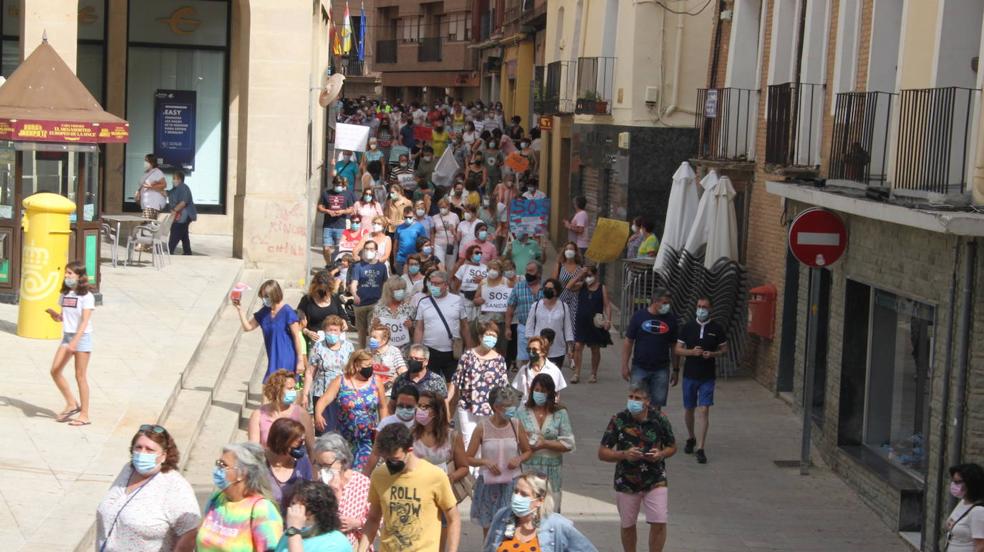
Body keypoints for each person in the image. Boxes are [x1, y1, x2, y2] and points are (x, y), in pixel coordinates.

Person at [95, 424, 200, 551]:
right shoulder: (128, 469)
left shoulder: (175, 486)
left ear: (164, 455)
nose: (142, 453)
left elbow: (190, 532)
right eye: (138, 447)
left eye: (149, 450)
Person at [361, 424, 460, 551]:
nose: (390, 463)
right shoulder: (379, 475)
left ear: (410, 450)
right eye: (386, 459)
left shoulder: (435, 476)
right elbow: (373, 519)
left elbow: (453, 519)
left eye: (395, 459)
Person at [466, 385, 532, 537]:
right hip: (488, 486)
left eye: (512, 406)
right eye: (507, 407)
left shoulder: (516, 424)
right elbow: (467, 458)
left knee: (510, 530)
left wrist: (519, 458)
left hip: (512, 485)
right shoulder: (482, 427)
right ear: (496, 407)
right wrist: (485, 462)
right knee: (489, 530)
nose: (511, 410)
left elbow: (528, 451)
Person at [196, 442, 284, 551]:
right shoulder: (216, 499)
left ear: (241, 473)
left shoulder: (262, 509)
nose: (217, 469)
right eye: (217, 463)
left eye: (223, 465)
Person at [412, 389, 469, 551]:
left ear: (437, 411)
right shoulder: (411, 435)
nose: (420, 410)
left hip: (443, 496)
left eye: (426, 407)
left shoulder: (452, 436)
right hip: (417, 496)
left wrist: (449, 477)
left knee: (438, 546)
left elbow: (464, 467)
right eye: (419, 406)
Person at [673, 296, 728, 464]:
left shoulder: (717, 329)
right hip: (690, 375)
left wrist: (713, 354)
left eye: (704, 306)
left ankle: (701, 448)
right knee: (689, 408)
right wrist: (691, 352)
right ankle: (691, 437)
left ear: (710, 309)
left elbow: (724, 350)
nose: (701, 309)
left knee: (704, 410)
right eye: (699, 306)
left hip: (707, 376)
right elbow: (677, 349)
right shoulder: (688, 327)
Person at [314, 350, 388, 470]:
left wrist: (383, 427)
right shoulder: (341, 381)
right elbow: (324, 399)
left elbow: (383, 406)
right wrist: (318, 414)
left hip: (367, 438)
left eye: (371, 365)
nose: (370, 369)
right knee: (342, 471)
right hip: (344, 438)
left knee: (359, 471)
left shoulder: (376, 381)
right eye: (366, 366)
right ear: (356, 365)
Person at [483, 473, 596, 552]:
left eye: (524, 494)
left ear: (540, 500)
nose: (516, 497)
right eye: (516, 491)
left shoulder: (557, 525)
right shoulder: (502, 516)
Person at [448, 321, 509, 452]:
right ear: (480, 337)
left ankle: (481, 471)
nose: (491, 339)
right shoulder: (467, 356)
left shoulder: (499, 360)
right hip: (467, 405)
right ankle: (471, 471)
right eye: (488, 335)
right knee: (468, 441)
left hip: (489, 408)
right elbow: (456, 379)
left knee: (485, 442)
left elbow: (504, 386)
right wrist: (448, 400)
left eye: (494, 336)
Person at [516, 374, 575, 509]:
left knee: (551, 509)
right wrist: (524, 440)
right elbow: (513, 438)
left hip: (552, 471)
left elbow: (569, 443)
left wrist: (545, 444)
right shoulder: (522, 411)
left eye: (543, 391)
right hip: (529, 468)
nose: (539, 394)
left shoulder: (560, 413)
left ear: (550, 393)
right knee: (528, 507)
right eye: (536, 390)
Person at [47, 261, 94, 427]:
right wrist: (56, 316)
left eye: (70, 274)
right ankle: (71, 403)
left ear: (80, 276)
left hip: (82, 338)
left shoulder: (87, 297)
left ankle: (85, 414)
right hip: (67, 337)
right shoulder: (65, 294)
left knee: (80, 376)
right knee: (55, 370)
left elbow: (84, 321)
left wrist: (75, 341)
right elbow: (64, 317)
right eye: (66, 273)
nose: (66, 276)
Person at [235, 279, 306, 381]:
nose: (264, 299)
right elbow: (248, 327)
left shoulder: (287, 311)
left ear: (274, 294)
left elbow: (296, 336)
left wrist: (300, 360)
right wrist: (239, 309)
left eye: (266, 296)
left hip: (286, 358)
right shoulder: (264, 312)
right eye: (263, 297)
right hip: (273, 358)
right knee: (271, 392)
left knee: (272, 390)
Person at [622, 288, 679, 410]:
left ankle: (652, 428)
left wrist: (676, 369)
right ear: (655, 301)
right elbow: (628, 341)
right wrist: (624, 364)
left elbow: (674, 346)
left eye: (668, 303)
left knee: (656, 407)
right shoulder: (639, 317)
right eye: (664, 303)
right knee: (636, 403)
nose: (667, 306)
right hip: (640, 367)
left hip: (661, 369)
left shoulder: (671, 320)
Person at [313, 433, 371, 549]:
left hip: (355, 546)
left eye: (327, 465)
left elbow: (377, 519)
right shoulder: (319, 485)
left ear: (343, 461)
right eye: (319, 465)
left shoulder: (362, 483)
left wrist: (357, 523)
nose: (323, 470)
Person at [414, 270, 471, 381]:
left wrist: (469, 348)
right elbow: (419, 328)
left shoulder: (457, 300)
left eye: (437, 283)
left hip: (452, 352)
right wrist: (416, 349)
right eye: (432, 283)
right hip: (430, 350)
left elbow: (465, 326)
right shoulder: (423, 302)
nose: (433, 286)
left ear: (446, 284)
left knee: (453, 384)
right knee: (430, 385)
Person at [307, 315, 354, 434]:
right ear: (324, 331)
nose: (332, 333)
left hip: (343, 394)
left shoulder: (348, 347)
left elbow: (353, 371)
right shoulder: (318, 347)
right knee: (325, 431)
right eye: (330, 330)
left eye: (335, 330)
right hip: (322, 393)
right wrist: (304, 393)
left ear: (340, 331)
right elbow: (310, 372)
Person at [250, 369, 317, 452]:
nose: (293, 392)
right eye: (289, 388)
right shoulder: (258, 415)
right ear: (277, 390)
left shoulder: (302, 414)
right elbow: (253, 449)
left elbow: (311, 448)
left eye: (294, 388)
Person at [275, 480, 352, 551]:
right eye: (293, 503)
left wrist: (294, 530)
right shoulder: (291, 532)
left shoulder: (334, 543)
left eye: (300, 508)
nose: (293, 511)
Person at [569, 265, 613, 384]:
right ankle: (576, 373)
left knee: (595, 348)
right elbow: (569, 287)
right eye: (586, 276)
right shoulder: (582, 285)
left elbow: (607, 305)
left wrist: (608, 320)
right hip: (581, 320)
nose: (588, 278)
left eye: (590, 275)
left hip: (595, 322)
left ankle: (593, 373)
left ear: (595, 275)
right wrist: (579, 275)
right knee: (578, 346)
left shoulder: (601, 288)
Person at [263, 418, 314, 514]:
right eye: (298, 441)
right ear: (282, 441)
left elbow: (310, 494)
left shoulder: (303, 462)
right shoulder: (260, 461)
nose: (301, 444)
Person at [525, 278, 574, 369]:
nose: (547, 290)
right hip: (538, 348)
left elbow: (567, 328)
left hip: (558, 349)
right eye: (546, 288)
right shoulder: (536, 306)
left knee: (553, 377)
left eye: (551, 288)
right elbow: (529, 326)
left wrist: (570, 348)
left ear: (557, 291)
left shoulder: (563, 307)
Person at [349, 241, 390, 348]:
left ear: (376, 251)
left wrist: (385, 300)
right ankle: (361, 353)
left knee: (373, 330)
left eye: (371, 249)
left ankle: (373, 352)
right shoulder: (358, 266)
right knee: (361, 332)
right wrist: (355, 295)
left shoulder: (382, 267)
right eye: (366, 249)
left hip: (375, 303)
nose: (368, 251)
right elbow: (354, 283)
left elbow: (386, 284)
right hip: (360, 304)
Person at [505, 261, 544, 371]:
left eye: (531, 271)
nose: (528, 273)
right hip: (523, 327)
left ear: (539, 273)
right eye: (527, 271)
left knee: (539, 356)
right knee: (524, 358)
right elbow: (510, 307)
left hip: (541, 328)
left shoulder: (546, 287)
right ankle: (526, 381)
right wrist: (508, 327)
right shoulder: (518, 287)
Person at [297, 271, 347, 346]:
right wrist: (308, 332)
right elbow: (299, 323)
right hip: (316, 341)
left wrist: (344, 322)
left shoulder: (334, 297)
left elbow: (343, 315)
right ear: (314, 287)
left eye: (326, 290)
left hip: (335, 339)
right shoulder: (306, 300)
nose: (323, 293)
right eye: (320, 290)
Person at [512, 336, 567, 403]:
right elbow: (520, 392)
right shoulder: (524, 370)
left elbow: (557, 395)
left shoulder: (554, 370)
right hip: (526, 410)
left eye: (534, 350)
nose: (531, 353)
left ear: (543, 352)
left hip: (547, 410)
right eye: (529, 350)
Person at [473, 259, 511, 355]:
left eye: (495, 268)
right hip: (485, 321)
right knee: (484, 347)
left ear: (500, 270)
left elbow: (511, 302)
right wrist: (479, 301)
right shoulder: (483, 282)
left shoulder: (507, 282)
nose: (492, 270)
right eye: (490, 268)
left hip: (500, 321)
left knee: (501, 349)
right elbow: (475, 300)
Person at [944, 463, 984, 552]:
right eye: (953, 481)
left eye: (957, 482)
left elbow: (981, 547)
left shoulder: (978, 511)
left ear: (971, 483)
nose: (954, 485)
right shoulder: (963, 502)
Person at [319, 175, 358, 264]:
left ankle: (335, 266)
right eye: (337, 184)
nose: (338, 186)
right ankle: (329, 265)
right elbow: (320, 207)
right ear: (333, 184)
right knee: (326, 249)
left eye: (340, 185)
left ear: (343, 185)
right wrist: (327, 211)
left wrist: (342, 211)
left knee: (338, 249)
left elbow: (351, 209)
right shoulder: (326, 193)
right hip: (328, 226)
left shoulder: (347, 194)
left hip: (341, 226)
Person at [371, 276, 415, 352]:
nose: (401, 291)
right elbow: (372, 332)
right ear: (389, 291)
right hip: (384, 352)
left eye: (403, 289)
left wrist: (411, 326)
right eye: (397, 289)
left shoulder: (409, 308)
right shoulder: (379, 308)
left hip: (404, 353)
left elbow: (416, 332)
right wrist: (374, 325)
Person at [554, 242, 584, 333]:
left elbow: (583, 283)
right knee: (560, 325)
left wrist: (581, 284)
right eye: (567, 249)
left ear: (575, 252)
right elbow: (553, 282)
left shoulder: (580, 268)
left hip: (575, 300)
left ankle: (571, 346)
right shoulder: (560, 265)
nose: (569, 251)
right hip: (561, 298)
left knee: (573, 326)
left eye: (571, 249)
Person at [368, 324, 407, 389]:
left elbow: (403, 371)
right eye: (371, 337)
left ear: (384, 340)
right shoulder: (367, 351)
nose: (371, 339)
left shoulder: (394, 351)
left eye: (374, 337)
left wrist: (394, 379)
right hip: (371, 390)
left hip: (388, 391)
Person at [167, 171, 196, 255]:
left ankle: (170, 250)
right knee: (183, 233)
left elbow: (183, 202)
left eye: (174, 179)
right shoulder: (175, 189)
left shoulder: (183, 188)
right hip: (180, 214)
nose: (173, 180)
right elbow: (169, 193)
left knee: (176, 229)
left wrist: (174, 211)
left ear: (180, 180)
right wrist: (158, 190)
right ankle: (187, 251)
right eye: (173, 179)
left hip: (185, 214)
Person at [394, 206, 428, 275]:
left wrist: (422, 258)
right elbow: (395, 246)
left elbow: (424, 243)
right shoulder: (399, 228)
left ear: (414, 216)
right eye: (405, 217)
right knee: (402, 281)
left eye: (410, 217)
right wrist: (395, 260)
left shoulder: (420, 227)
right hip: (401, 259)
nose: (407, 219)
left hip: (415, 260)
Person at [431, 198, 460, 269]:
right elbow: (432, 233)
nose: (442, 209)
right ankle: (442, 279)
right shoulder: (434, 217)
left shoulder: (455, 216)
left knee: (450, 266)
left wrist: (453, 231)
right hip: (438, 245)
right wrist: (432, 246)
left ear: (448, 207)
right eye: (440, 207)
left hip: (451, 245)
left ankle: (449, 279)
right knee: (440, 266)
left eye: (444, 207)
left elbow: (458, 232)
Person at [136, 153, 167, 219]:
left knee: (146, 225)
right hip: (146, 204)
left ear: (152, 162)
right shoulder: (146, 173)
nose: (145, 162)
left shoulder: (157, 172)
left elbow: (164, 184)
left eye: (146, 161)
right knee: (148, 225)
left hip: (152, 204)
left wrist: (151, 187)